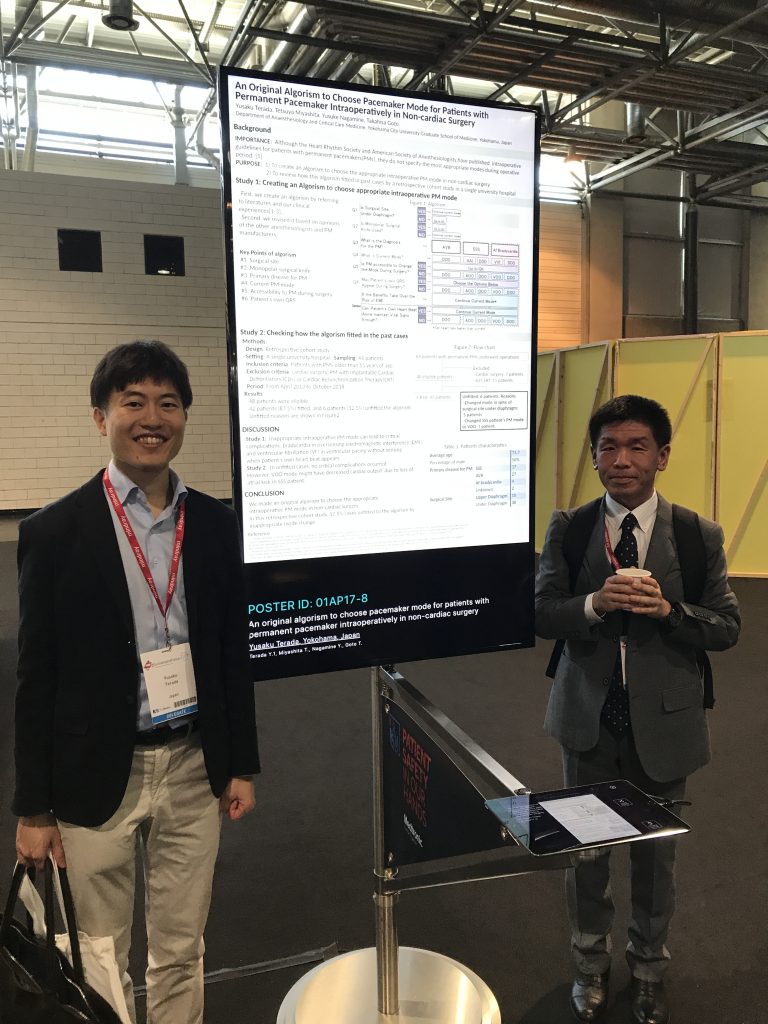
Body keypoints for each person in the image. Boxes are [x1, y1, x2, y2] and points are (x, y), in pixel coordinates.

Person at [13, 340, 259, 1024]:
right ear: (101, 416)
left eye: (168, 403)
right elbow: (35, 675)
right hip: (94, 769)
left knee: (182, 946)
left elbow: (231, 652)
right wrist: (33, 810)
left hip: (193, 764)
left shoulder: (215, 524)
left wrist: (240, 763)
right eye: (134, 402)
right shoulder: (54, 531)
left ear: (184, 417)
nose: (153, 418)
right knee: (97, 951)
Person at [535, 395, 740, 1024]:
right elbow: (541, 613)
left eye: (637, 446)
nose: (622, 460)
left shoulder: (696, 534)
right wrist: (594, 604)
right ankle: (589, 965)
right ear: (595, 456)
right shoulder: (570, 528)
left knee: (655, 857)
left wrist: (669, 612)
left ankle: (649, 969)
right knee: (585, 853)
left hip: (666, 720)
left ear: (662, 456)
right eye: (609, 447)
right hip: (587, 717)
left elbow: (727, 626)